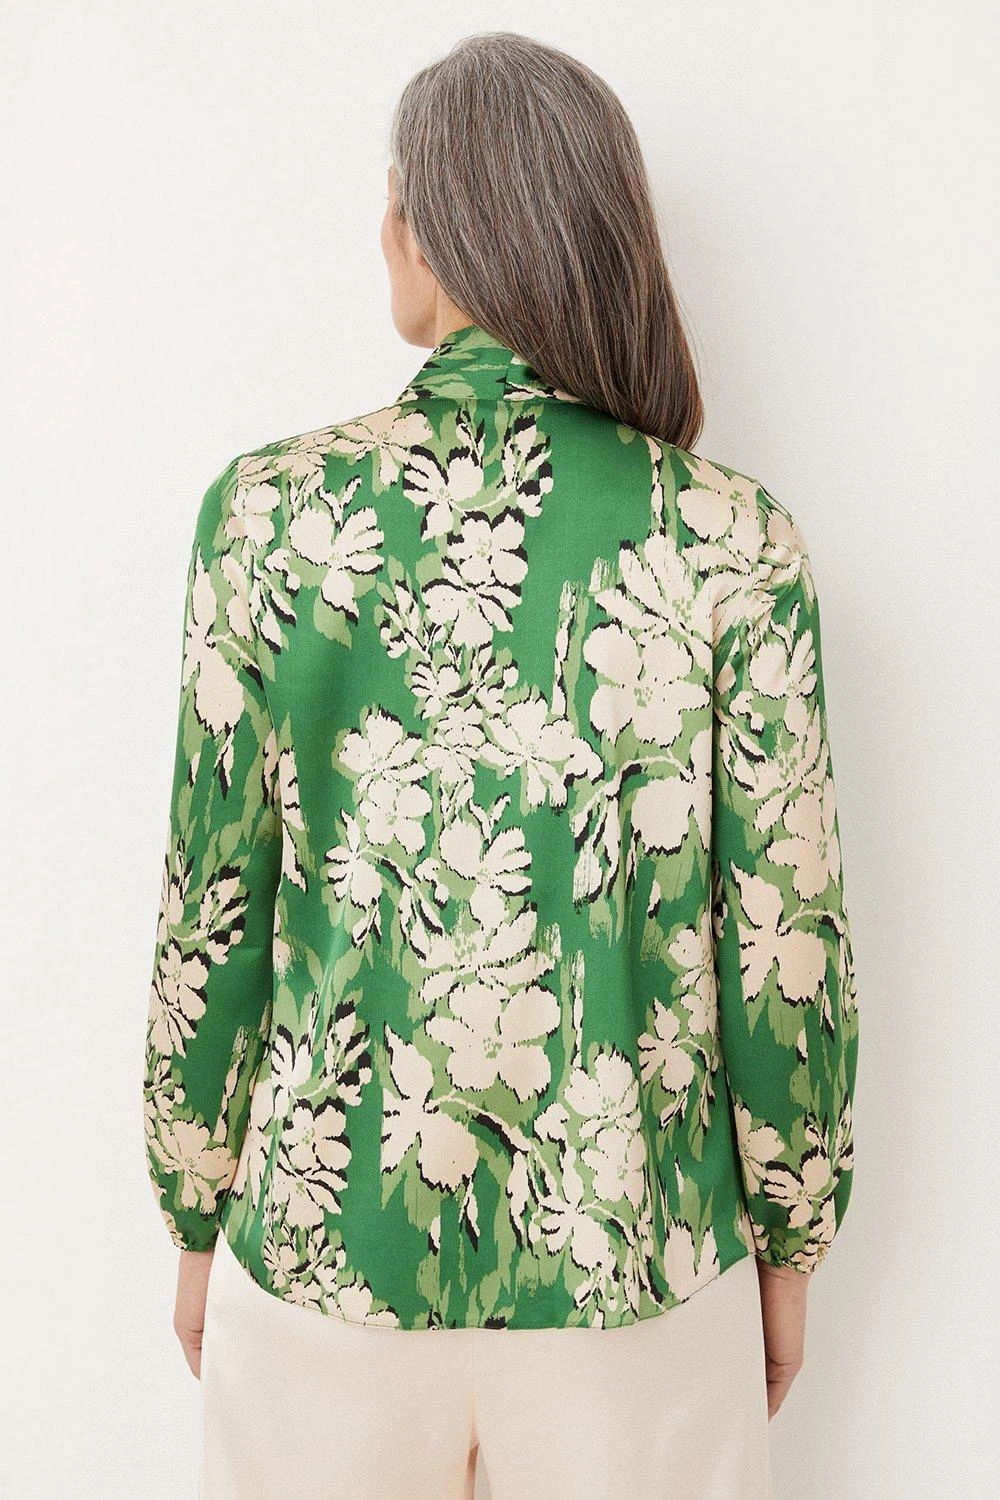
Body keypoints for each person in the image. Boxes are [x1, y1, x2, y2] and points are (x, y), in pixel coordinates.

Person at [142, 30, 859, 1500]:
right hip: (641, 1279)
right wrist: (792, 1246)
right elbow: (785, 936)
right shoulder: (731, 538)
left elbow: (213, 911)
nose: (381, 231)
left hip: (329, 1261)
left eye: (393, 198)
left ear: (439, 225)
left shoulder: (269, 516)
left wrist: (195, 1209)